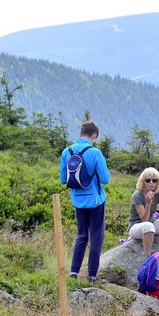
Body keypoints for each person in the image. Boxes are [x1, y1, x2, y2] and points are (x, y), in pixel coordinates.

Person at [59, 120, 110, 282]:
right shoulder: (95, 153)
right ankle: (92, 275)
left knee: (81, 235)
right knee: (96, 236)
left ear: (81, 133)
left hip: (77, 201)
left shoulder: (67, 152)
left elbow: (62, 179)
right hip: (95, 201)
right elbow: (105, 179)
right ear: (94, 136)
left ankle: (74, 272)